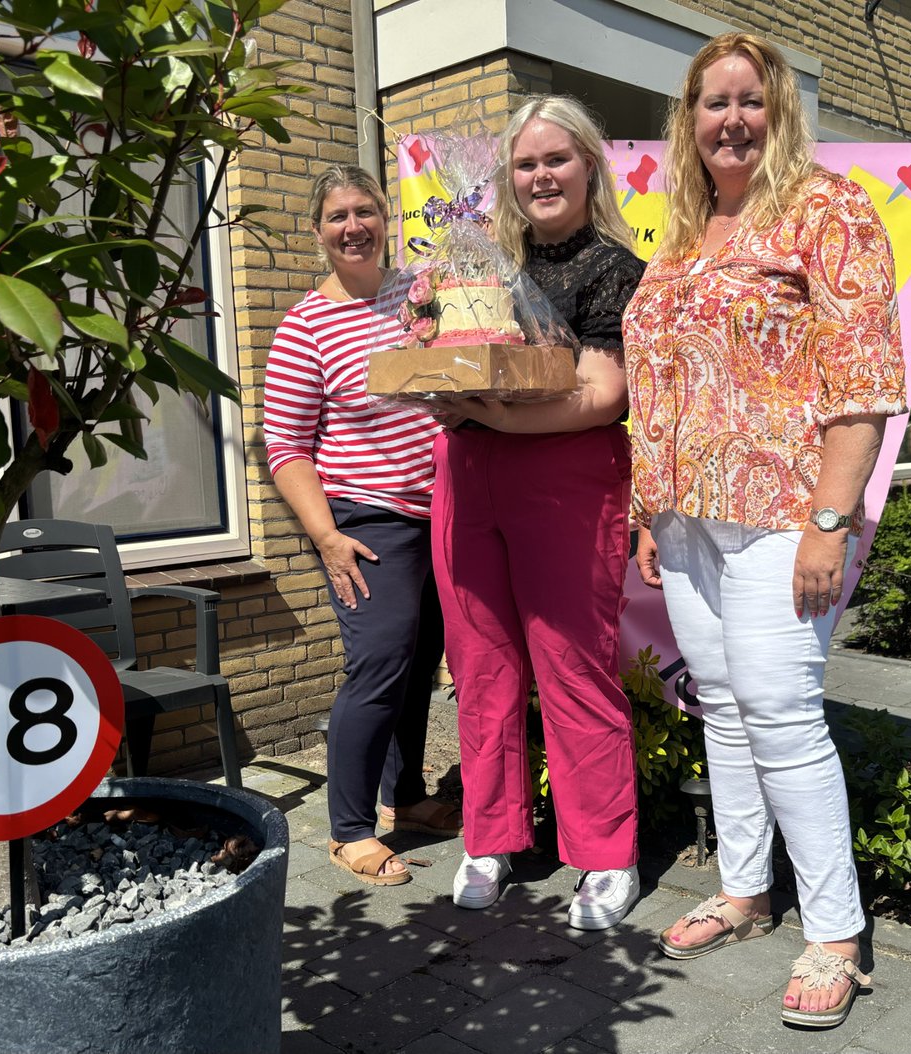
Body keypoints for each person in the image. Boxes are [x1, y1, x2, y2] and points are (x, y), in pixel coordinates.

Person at [623, 32, 906, 1029]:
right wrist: (651, 507)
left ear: (779, 111)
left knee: (782, 713)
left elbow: (863, 380)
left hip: (785, 510)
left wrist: (831, 521)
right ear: (690, 118)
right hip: (687, 520)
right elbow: (662, 385)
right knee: (726, 709)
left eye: (751, 100)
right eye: (715, 102)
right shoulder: (683, 234)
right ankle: (744, 891)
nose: (733, 119)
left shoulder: (827, 210)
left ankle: (836, 934)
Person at [434, 97, 643, 926]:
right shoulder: (483, 268)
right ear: (507, 178)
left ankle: (606, 852)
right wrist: (441, 388)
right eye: (526, 164)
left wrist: (489, 415)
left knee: (572, 666)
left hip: (565, 479)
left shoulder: (613, 268)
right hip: (467, 474)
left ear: (590, 164)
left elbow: (602, 395)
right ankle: (490, 837)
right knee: (480, 666)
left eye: (557, 159)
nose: (542, 176)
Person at [263, 165, 460, 886]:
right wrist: (326, 537)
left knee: (418, 662)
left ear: (385, 217)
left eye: (365, 211)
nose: (354, 227)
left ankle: (404, 796)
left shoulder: (420, 296)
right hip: (366, 519)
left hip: (444, 512)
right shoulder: (305, 326)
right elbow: (286, 446)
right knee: (378, 663)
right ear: (318, 231)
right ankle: (348, 828)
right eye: (338, 216)